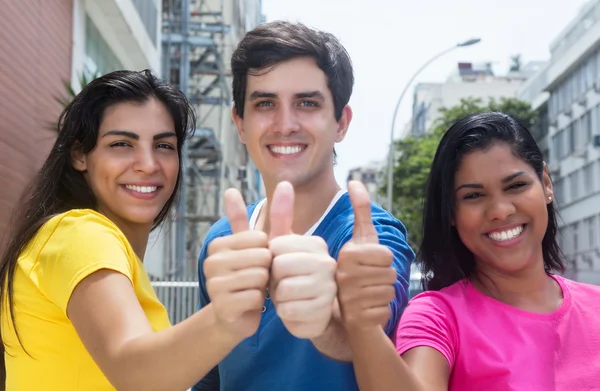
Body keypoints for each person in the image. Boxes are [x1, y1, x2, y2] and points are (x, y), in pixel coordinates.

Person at [0, 70, 284, 391]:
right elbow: (137, 375)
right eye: (122, 144)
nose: (148, 164)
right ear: (80, 154)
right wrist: (225, 317)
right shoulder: (80, 234)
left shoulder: (93, 246)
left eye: (163, 145)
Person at [192, 21, 414, 391]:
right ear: (240, 124)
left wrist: (327, 318)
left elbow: (365, 328)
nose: (285, 124)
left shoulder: (371, 237)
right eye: (265, 103)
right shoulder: (224, 238)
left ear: (341, 123)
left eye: (307, 103)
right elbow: (211, 377)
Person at [337, 111, 600, 391]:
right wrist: (363, 328)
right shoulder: (435, 318)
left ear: (546, 184)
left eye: (516, 186)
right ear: (450, 212)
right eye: (473, 196)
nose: (500, 211)